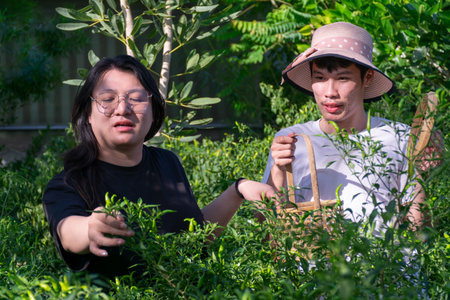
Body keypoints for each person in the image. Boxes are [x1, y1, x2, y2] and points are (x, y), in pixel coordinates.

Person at [43, 54, 275, 278]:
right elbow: (68, 232)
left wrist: (238, 191)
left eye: (136, 98)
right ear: (88, 113)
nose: (123, 108)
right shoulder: (67, 184)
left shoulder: (166, 162)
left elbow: (195, 237)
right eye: (107, 99)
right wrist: (91, 228)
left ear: (153, 110)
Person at [262, 22, 424, 234]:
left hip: (382, 266)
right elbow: (266, 229)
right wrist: (278, 170)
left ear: (367, 78)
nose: (330, 92)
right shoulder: (293, 140)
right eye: (320, 78)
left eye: (343, 78)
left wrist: (423, 174)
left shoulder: (399, 138)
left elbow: (419, 231)